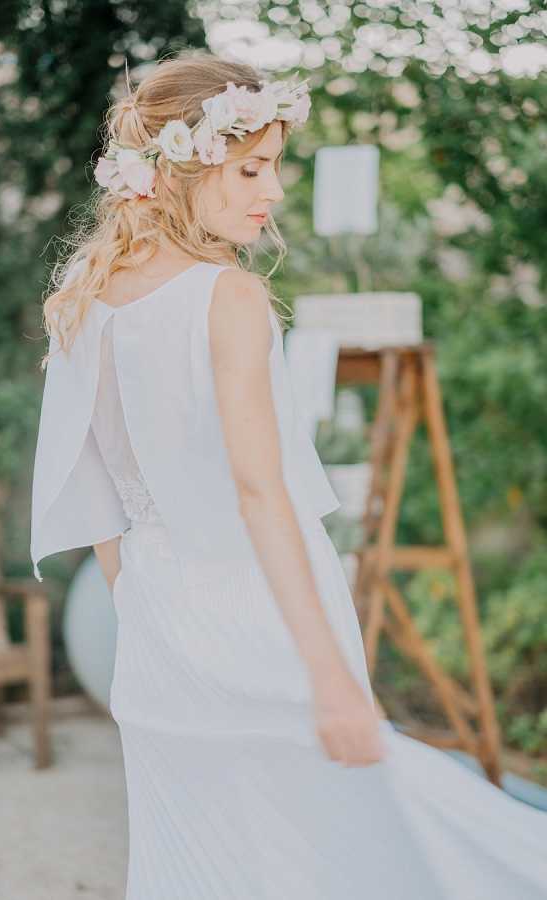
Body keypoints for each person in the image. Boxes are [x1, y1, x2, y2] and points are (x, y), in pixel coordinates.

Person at [30, 49, 547, 899]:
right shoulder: (225, 297)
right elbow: (259, 491)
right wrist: (334, 678)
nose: (271, 192)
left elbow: (100, 505)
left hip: (156, 627)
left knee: (200, 860)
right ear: (184, 167)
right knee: (339, 849)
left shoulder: (82, 304)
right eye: (251, 167)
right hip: (257, 609)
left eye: (275, 168)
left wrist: (144, 620)